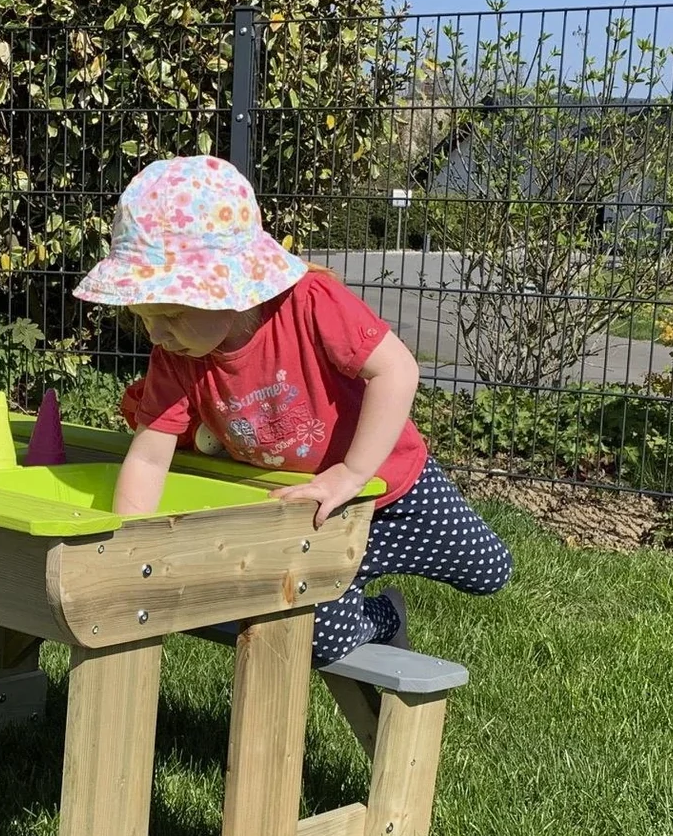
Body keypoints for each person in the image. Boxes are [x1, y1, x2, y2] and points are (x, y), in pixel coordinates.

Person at [80, 154, 511, 666]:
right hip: (306, 511)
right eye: (144, 316)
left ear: (231, 290)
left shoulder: (309, 301)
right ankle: (384, 616)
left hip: (391, 482)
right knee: (321, 641)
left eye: (171, 313)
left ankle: (364, 574)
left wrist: (352, 473)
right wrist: (131, 548)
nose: (156, 333)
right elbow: (149, 457)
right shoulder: (176, 357)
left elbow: (397, 370)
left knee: (489, 569)